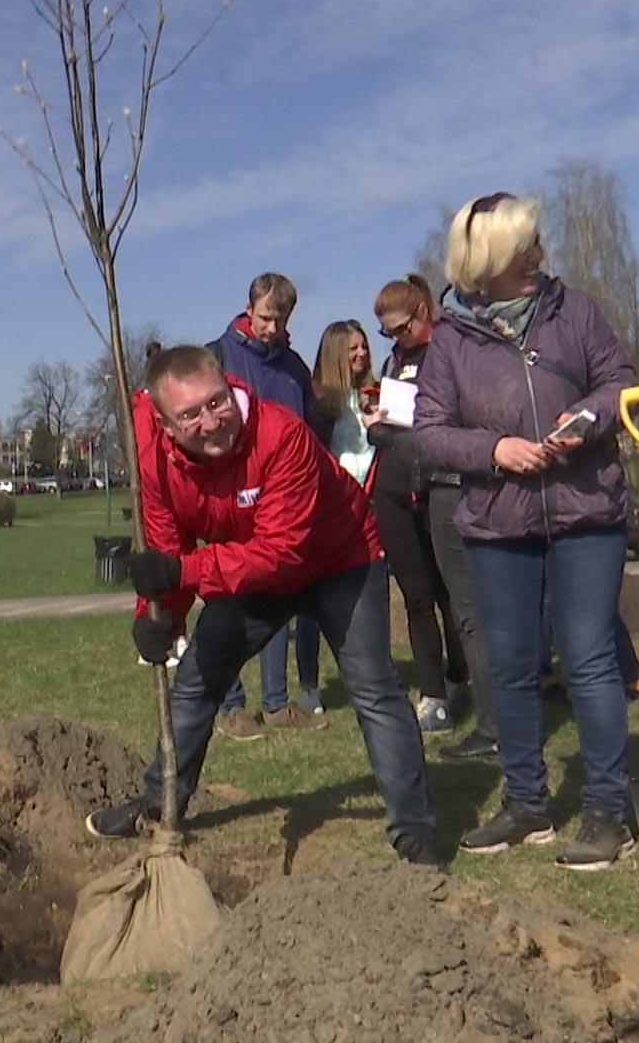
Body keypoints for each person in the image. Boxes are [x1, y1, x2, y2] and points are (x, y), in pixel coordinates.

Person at [84, 346, 445, 869]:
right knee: (195, 684)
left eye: (217, 402)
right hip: (249, 570)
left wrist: (185, 573)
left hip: (339, 558)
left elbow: (281, 552)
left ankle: (414, 833)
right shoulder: (153, 457)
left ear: (228, 387)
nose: (211, 422)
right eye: (191, 415)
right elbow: (167, 546)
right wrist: (157, 615)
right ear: (164, 424)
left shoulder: (281, 434)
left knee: (373, 689)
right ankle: (156, 807)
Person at [415, 192, 639, 870]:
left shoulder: (577, 311)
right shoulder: (451, 340)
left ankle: (608, 809)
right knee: (510, 667)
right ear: (487, 262)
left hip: (586, 513)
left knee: (589, 656)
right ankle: (526, 803)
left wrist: (585, 423)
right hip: (497, 523)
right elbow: (429, 433)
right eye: (524, 249)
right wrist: (496, 451)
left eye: (537, 243)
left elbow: (619, 382)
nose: (539, 255)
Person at [366, 274, 490, 744]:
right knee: (417, 596)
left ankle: (463, 681)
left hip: (440, 487)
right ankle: (432, 693)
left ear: (423, 314)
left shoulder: (450, 352)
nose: (393, 339)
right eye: (386, 333)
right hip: (398, 486)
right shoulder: (396, 361)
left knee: (453, 594)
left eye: (398, 329)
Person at [205, 272, 326, 738]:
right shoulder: (217, 358)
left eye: (280, 319)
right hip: (229, 496)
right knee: (228, 601)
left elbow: (309, 431)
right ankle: (231, 706)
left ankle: (276, 703)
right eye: (265, 317)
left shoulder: (293, 368)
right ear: (248, 307)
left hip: (281, 502)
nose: (272, 328)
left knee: (278, 599)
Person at [289, 319, 380, 721]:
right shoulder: (320, 402)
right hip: (331, 512)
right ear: (334, 354)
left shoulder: (374, 396)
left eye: (363, 347)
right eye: (352, 349)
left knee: (368, 596)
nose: (360, 354)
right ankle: (309, 686)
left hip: (372, 509)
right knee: (312, 606)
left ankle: (372, 677)